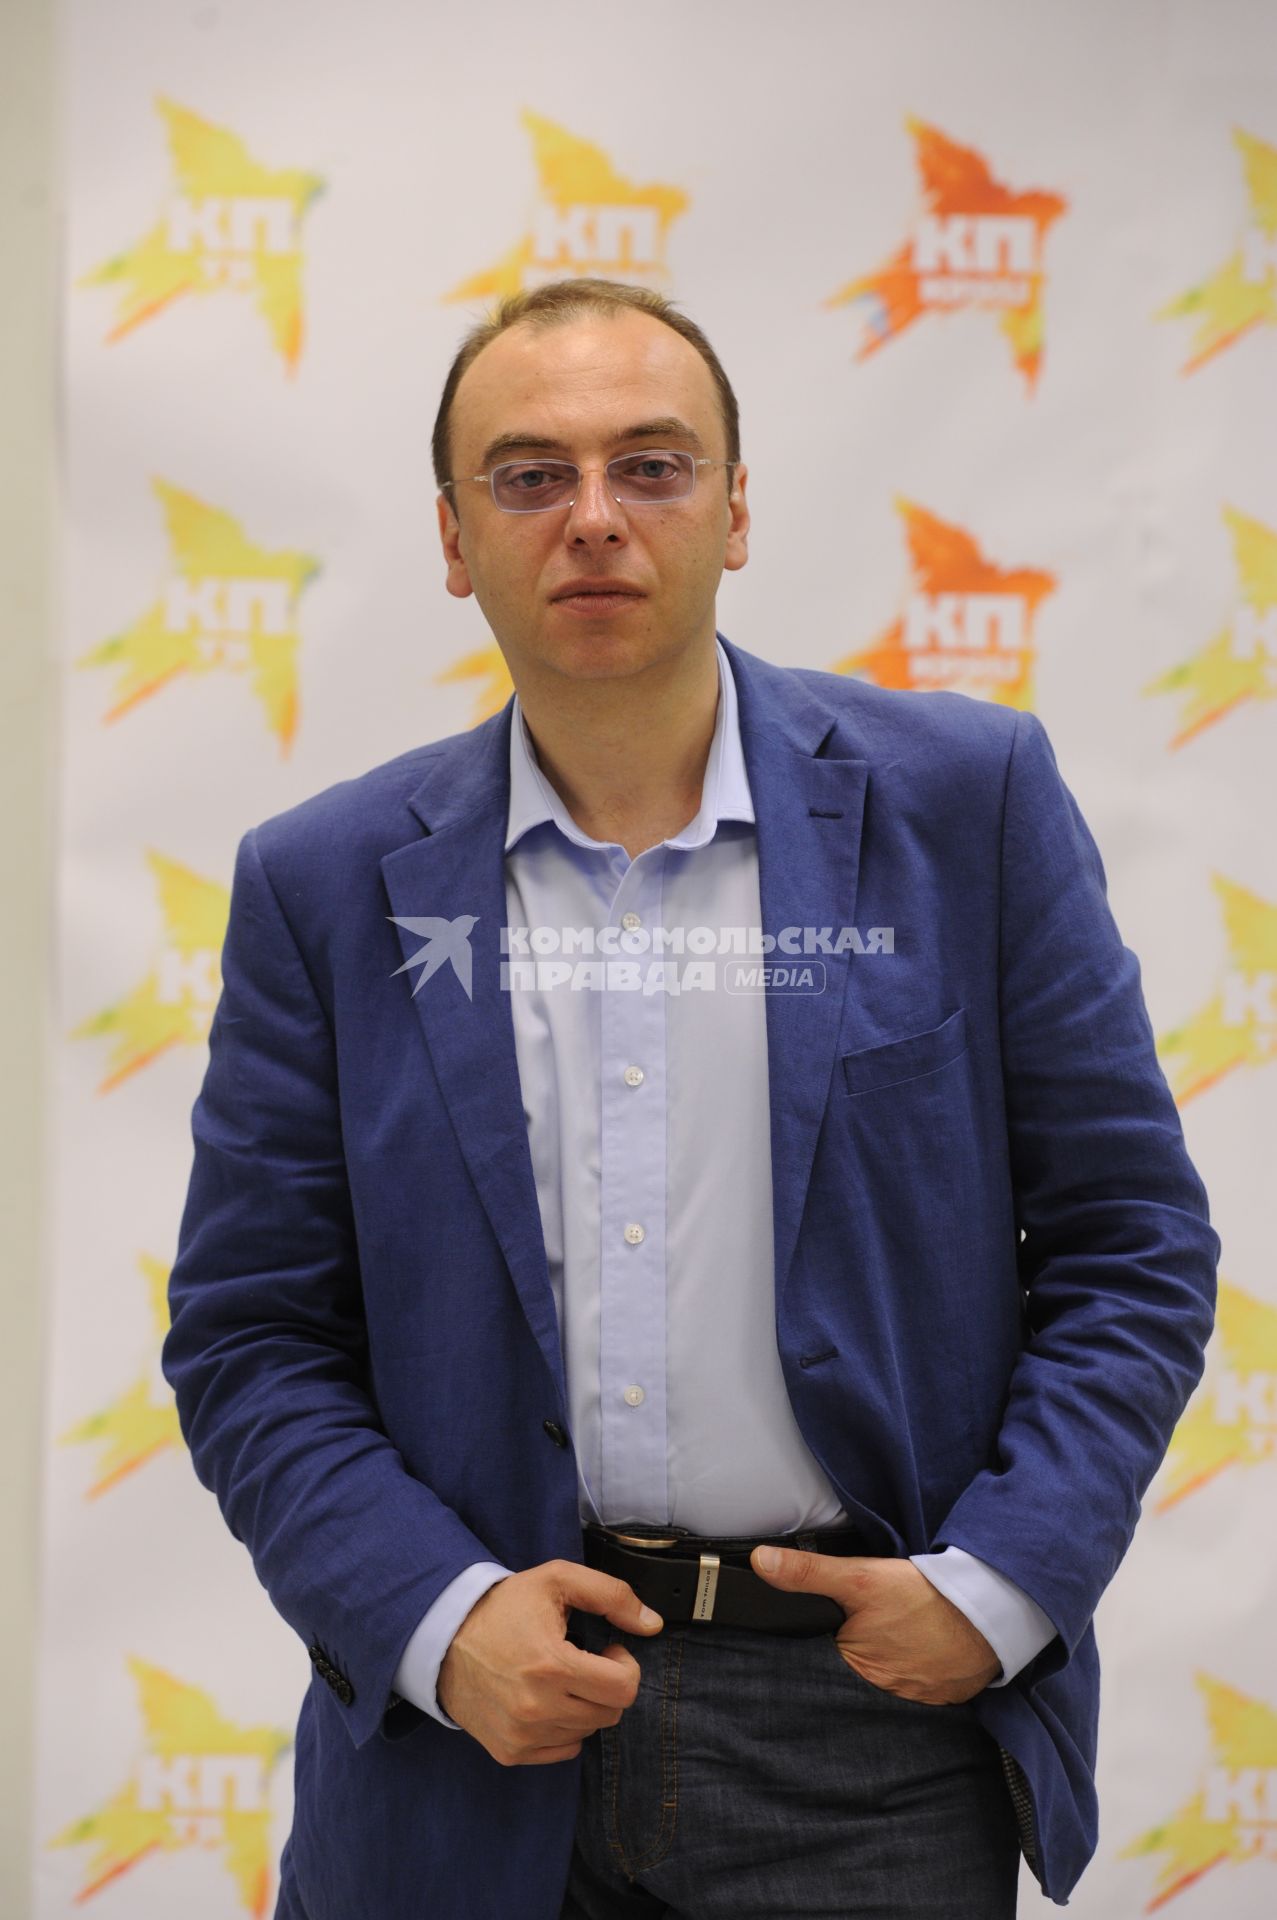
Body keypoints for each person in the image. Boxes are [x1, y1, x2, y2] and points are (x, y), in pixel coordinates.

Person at [162, 278, 1218, 1920]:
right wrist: (437, 1621)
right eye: (530, 476)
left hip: (863, 1742)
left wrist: (1001, 1582)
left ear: (734, 510)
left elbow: (1128, 1244)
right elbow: (252, 1334)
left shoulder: (965, 806)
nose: (593, 516)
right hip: (470, 1747)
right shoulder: (323, 882)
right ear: (453, 538)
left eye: (650, 466)